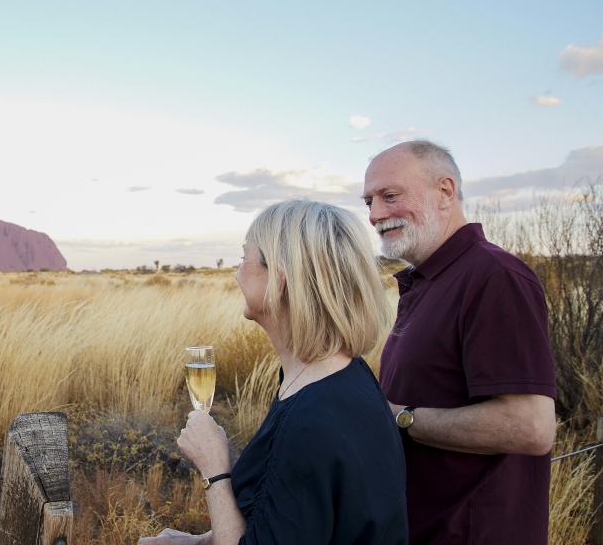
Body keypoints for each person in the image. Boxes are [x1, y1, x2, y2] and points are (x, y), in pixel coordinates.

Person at [139, 200, 408, 545]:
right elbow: (283, 523)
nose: (236, 274)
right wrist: (199, 542)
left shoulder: (312, 420)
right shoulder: (337, 379)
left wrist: (214, 470)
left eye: (243, 259)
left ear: (279, 280)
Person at [362, 140, 557, 544]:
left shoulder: (494, 276)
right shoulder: (430, 280)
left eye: (390, 196)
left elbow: (531, 426)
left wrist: (399, 417)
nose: (375, 214)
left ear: (445, 191)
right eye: (369, 201)